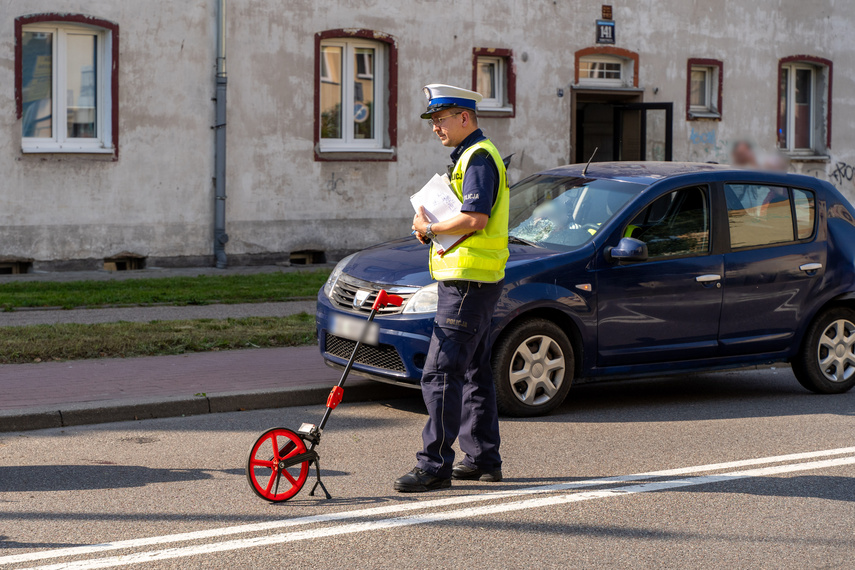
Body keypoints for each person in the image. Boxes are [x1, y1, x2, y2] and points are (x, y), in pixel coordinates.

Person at [394, 84, 509, 493]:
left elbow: (475, 218)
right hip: (472, 280)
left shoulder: (479, 158)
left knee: (440, 374)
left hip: (466, 284)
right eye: (432, 121)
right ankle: (482, 459)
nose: (435, 128)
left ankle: (434, 465)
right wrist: (432, 232)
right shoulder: (470, 156)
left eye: (441, 120)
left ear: (465, 117)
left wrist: (430, 228)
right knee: (475, 371)